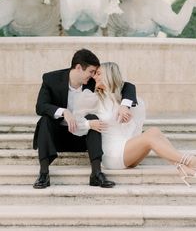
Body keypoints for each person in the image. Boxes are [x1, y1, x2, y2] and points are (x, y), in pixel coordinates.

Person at [72, 62, 196, 187]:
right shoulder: (94, 98)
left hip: (127, 150)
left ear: (109, 76)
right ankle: (191, 161)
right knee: (149, 136)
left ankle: (182, 168)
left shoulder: (124, 100)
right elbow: (73, 121)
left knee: (154, 131)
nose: (94, 77)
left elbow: (132, 124)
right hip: (112, 155)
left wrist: (126, 115)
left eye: (98, 74)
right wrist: (89, 123)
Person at [32, 49, 137, 189]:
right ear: (79, 68)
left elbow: (127, 86)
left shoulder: (91, 83)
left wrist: (125, 105)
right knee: (45, 120)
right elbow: (41, 106)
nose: (94, 76)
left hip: (84, 137)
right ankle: (44, 173)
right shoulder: (51, 79)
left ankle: (96, 173)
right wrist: (64, 112)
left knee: (93, 118)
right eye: (92, 71)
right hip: (58, 136)